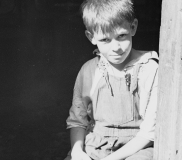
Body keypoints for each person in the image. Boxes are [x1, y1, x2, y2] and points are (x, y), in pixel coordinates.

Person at [65, 0, 158, 159]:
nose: (116, 47)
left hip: (138, 148)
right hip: (97, 146)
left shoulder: (149, 69)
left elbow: (150, 132)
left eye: (121, 36)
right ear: (91, 37)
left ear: (133, 27)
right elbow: (78, 121)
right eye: (105, 40)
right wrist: (77, 152)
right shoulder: (89, 70)